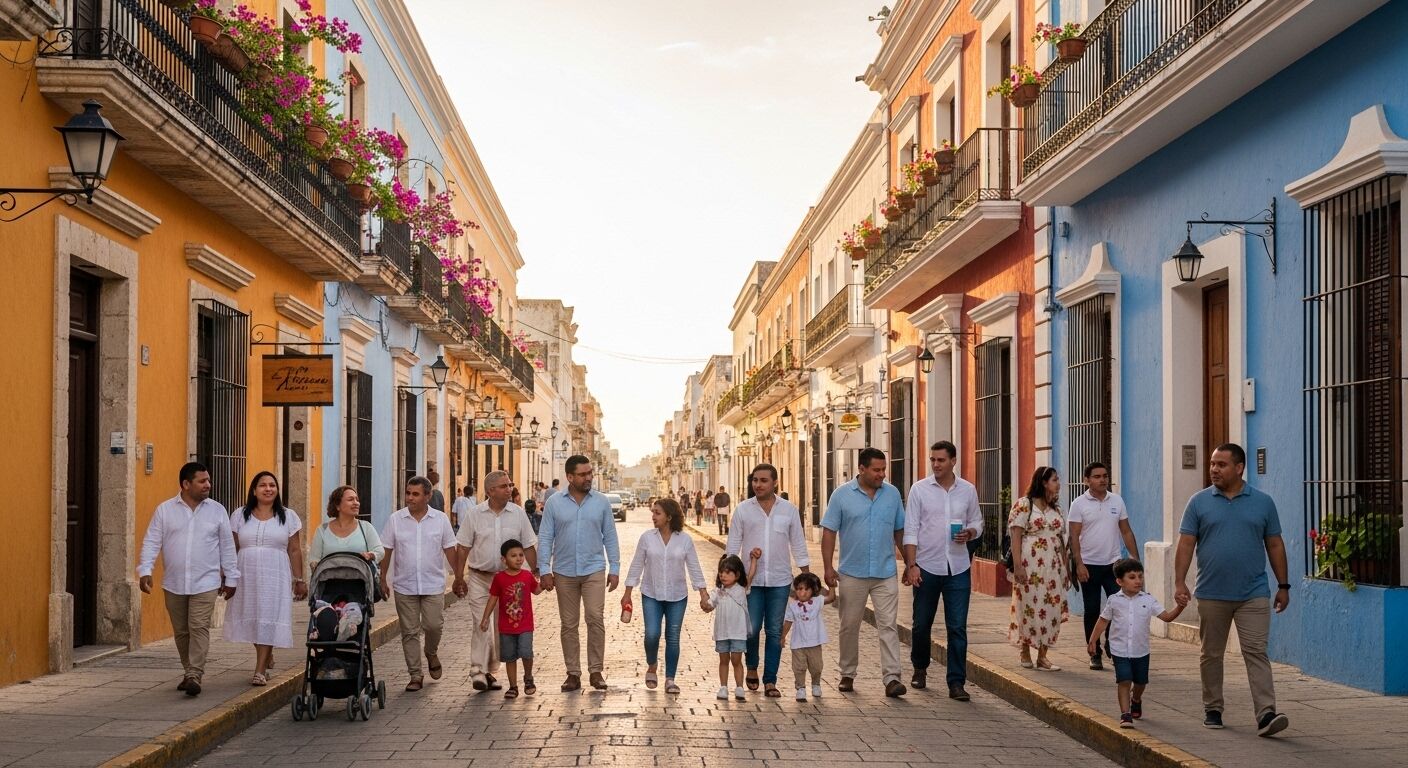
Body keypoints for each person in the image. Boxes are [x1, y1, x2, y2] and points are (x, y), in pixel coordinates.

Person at [1174, 443, 1291, 737]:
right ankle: (1213, 708)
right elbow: (1186, 544)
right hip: (1212, 593)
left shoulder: (1263, 502)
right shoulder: (1198, 502)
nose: (1214, 469)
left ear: (1239, 468)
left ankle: (1266, 714)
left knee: (1256, 651)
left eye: (1221, 464)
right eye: (1213, 464)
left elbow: (1274, 544)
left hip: (1254, 592)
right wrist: (1179, 581)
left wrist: (1284, 585)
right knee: (1211, 654)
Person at [136, 461, 239, 697]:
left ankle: (195, 674)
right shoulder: (165, 510)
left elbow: (227, 546)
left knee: (198, 626)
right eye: (202, 481)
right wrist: (145, 570)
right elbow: (152, 541)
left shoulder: (217, 510)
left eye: (208, 480)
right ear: (185, 484)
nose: (208, 485)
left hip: (207, 581)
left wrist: (231, 577)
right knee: (181, 631)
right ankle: (188, 671)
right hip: (174, 582)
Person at [822, 447, 907, 697]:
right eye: (876, 470)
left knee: (888, 626)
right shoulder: (841, 495)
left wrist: (911, 564)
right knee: (849, 625)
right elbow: (829, 531)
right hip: (852, 573)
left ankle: (892, 678)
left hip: (885, 572)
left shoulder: (892, 495)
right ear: (862, 469)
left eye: (883, 469)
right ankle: (847, 673)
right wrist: (828, 568)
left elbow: (900, 531)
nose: (881, 474)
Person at [901, 441, 983, 700]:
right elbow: (911, 529)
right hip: (927, 566)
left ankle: (956, 682)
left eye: (941, 460)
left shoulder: (967, 490)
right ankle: (920, 668)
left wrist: (971, 532)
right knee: (921, 624)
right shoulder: (919, 490)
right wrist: (911, 566)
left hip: (958, 567)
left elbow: (977, 521)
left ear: (953, 461)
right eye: (933, 460)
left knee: (957, 627)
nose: (935, 465)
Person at [725, 463, 810, 697]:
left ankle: (770, 680)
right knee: (751, 630)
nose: (758, 484)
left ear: (775, 483)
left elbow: (798, 543)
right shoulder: (743, 510)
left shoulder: (789, 510)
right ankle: (751, 666)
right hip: (750, 582)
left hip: (780, 581)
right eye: (755, 480)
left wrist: (807, 576)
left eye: (763, 480)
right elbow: (733, 545)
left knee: (774, 631)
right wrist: (728, 579)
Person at [538, 455, 621, 692]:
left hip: (594, 568)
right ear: (570, 477)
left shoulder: (601, 502)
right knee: (568, 624)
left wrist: (614, 568)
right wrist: (544, 569)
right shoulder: (554, 503)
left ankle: (596, 671)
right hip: (563, 571)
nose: (589, 478)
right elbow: (545, 537)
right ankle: (573, 673)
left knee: (595, 618)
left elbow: (610, 536)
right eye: (583, 474)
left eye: (590, 473)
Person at [454, 470, 537, 693]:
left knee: (502, 628)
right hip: (481, 578)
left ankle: (490, 669)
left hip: (509, 582)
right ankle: (477, 670)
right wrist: (459, 577)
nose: (509, 489)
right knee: (481, 623)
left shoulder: (518, 514)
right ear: (490, 491)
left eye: (510, 485)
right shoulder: (474, 514)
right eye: (504, 486)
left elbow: (528, 544)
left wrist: (537, 571)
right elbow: (462, 547)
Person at [223, 471, 306, 686]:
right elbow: (232, 547)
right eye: (263, 485)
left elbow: (295, 550)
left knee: (268, 615)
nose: (268, 489)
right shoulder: (240, 515)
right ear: (254, 490)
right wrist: (226, 574)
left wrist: (299, 579)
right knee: (251, 615)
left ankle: (259, 670)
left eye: (272, 485)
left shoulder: (288, 516)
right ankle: (266, 653)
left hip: (275, 574)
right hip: (246, 573)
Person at [621, 498, 708, 695]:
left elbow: (694, 567)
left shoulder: (684, 540)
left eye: (657, 513)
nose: (653, 517)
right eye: (653, 512)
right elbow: (636, 565)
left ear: (669, 516)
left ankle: (670, 678)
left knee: (673, 637)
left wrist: (703, 593)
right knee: (652, 634)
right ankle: (652, 664)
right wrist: (627, 593)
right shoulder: (647, 538)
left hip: (677, 596)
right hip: (651, 593)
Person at [379, 476, 459, 692]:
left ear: (427, 496)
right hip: (404, 585)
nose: (410, 498)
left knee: (434, 625)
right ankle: (415, 674)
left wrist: (459, 577)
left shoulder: (440, 520)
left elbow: (450, 550)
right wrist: (382, 578)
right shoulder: (396, 519)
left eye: (415, 494)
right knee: (409, 632)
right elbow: (386, 550)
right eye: (408, 493)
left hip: (433, 583)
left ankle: (431, 652)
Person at [1086, 558, 1187, 728]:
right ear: (1119, 581)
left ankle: (1136, 699)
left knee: (1140, 682)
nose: (1138, 581)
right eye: (1132, 577)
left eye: (1140, 576)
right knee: (1124, 680)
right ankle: (1125, 715)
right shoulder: (1113, 600)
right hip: (1120, 650)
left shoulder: (1148, 600)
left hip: (1141, 650)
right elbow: (1103, 621)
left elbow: (1167, 617)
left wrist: (1180, 607)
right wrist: (1092, 640)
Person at [1068, 461, 1138, 670]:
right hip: (1089, 565)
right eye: (1097, 476)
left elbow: (1125, 531)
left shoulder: (1117, 500)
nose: (1102, 480)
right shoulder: (1079, 504)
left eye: (1105, 476)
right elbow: (1074, 536)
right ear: (1086, 480)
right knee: (1091, 610)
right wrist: (1079, 564)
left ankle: (1112, 647)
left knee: (1118, 608)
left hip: (1113, 565)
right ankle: (1094, 652)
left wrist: (1134, 558)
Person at [1007, 466, 1071, 671]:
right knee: (1028, 606)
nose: (1058, 483)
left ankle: (1043, 655)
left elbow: (1061, 540)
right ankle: (1025, 649)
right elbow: (1015, 536)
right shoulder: (1024, 505)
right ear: (1043, 482)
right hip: (1030, 565)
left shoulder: (1057, 510)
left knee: (1051, 608)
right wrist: (1018, 566)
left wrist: (1066, 570)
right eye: (1054, 479)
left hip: (1053, 567)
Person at [480, 539, 540, 699]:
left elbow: (537, 590)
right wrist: (485, 618)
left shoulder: (527, 576)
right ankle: (513, 686)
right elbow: (493, 598)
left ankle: (528, 678)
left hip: (526, 625)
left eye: (521, 555)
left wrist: (549, 582)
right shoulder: (499, 578)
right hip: (506, 627)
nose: (519, 558)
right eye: (513, 555)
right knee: (510, 657)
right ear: (503, 559)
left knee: (527, 652)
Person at [703, 552, 758, 701]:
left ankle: (739, 687)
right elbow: (709, 605)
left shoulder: (741, 589)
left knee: (736, 660)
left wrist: (754, 559)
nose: (723, 575)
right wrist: (705, 603)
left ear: (737, 574)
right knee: (723, 660)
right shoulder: (717, 592)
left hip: (738, 633)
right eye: (721, 572)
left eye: (728, 572)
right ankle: (723, 687)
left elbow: (751, 575)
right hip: (722, 633)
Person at [780, 571, 835, 702]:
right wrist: (782, 636)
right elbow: (788, 621)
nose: (802, 592)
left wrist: (832, 586)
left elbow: (831, 598)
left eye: (806, 589)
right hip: (798, 642)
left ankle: (816, 684)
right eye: (799, 589)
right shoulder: (792, 606)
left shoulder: (817, 602)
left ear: (812, 590)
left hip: (815, 642)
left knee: (816, 666)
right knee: (798, 667)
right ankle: (800, 688)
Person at [310, 485, 384, 567]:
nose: (356, 503)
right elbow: (314, 559)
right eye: (350, 499)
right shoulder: (322, 530)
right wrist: (314, 566)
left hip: (360, 579)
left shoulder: (366, 527)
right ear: (337, 506)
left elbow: (380, 551)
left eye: (357, 499)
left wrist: (370, 555)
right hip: (329, 579)